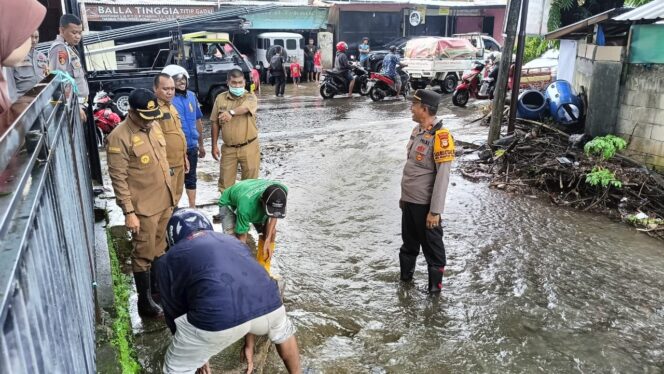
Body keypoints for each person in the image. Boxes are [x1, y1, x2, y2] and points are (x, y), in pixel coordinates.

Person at [157, 209, 301, 374]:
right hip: (271, 303)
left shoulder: (167, 260)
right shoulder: (233, 242)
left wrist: (198, 355)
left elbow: (175, 318)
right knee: (284, 331)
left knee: (175, 367)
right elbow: (247, 290)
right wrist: (249, 344)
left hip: (216, 318)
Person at [106, 88, 175, 317]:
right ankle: (144, 304)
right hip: (143, 208)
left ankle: (158, 292)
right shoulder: (119, 137)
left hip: (164, 200)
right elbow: (119, 178)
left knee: (159, 248)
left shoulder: (153, 125)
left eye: (152, 116)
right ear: (132, 112)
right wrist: (129, 212)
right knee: (143, 253)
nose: (150, 122)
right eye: (145, 117)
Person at [399, 89, 454, 294]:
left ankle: (434, 297)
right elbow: (411, 167)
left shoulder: (442, 137)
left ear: (425, 109)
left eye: (414, 105)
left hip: (426, 207)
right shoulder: (417, 131)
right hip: (410, 202)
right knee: (408, 247)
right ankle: (405, 286)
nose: (411, 108)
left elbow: (442, 177)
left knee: (434, 253)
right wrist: (403, 198)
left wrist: (435, 211)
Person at [217, 179, 288, 274]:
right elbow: (242, 237)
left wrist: (267, 239)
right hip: (229, 203)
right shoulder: (245, 206)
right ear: (262, 201)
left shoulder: (281, 190)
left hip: (252, 201)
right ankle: (237, 273)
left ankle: (264, 269)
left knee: (271, 234)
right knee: (233, 241)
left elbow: (275, 214)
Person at [210, 69, 260, 196]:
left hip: (249, 146)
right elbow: (214, 122)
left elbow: (244, 108)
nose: (237, 86)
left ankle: (247, 214)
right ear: (228, 83)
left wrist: (231, 112)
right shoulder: (220, 98)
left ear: (244, 82)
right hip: (229, 149)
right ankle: (226, 212)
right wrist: (214, 145)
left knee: (250, 185)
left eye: (240, 83)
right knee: (225, 186)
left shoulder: (250, 97)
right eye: (234, 83)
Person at [162, 65, 204, 208]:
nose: (182, 82)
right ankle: (174, 208)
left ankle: (193, 207)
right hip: (174, 150)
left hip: (192, 146)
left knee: (191, 177)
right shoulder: (167, 101)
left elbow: (198, 121)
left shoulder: (192, 96)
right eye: (177, 80)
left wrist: (201, 145)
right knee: (174, 180)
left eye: (183, 79)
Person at [0, 0, 46, 117]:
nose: (32, 41)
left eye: (36, 37)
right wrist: (16, 114)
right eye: (28, 35)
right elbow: (12, 90)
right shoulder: (8, 65)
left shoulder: (41, 56)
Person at [49, 14, 89, 122]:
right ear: (62, 30)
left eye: (80, 33)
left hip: (79, 104)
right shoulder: (60, 49)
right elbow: (60, 80)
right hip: (73, 106)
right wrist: (76, 107)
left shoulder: (70, 48)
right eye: (74, 32)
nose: (77, 36)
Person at [6, 30, 48, 102]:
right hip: (23, 102)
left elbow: (48, 77)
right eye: (31, 37)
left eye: (36, 37)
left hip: (42, 99)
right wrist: (14, 106)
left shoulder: (42, 56)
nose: (34, 40)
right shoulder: (14, 57)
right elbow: (10, 85)